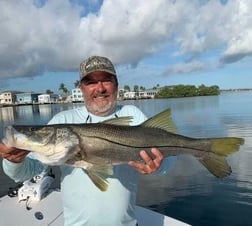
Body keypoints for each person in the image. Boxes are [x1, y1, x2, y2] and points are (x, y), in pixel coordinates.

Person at [0, 56, 168, 226]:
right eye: (91, 82)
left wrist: (159, 167)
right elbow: (26, 172)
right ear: (81, 88)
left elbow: (170, 159)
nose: (100, 88)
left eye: (106, 80)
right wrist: (14, 161)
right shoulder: (62, 120)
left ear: (116, 85)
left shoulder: (133, 115)